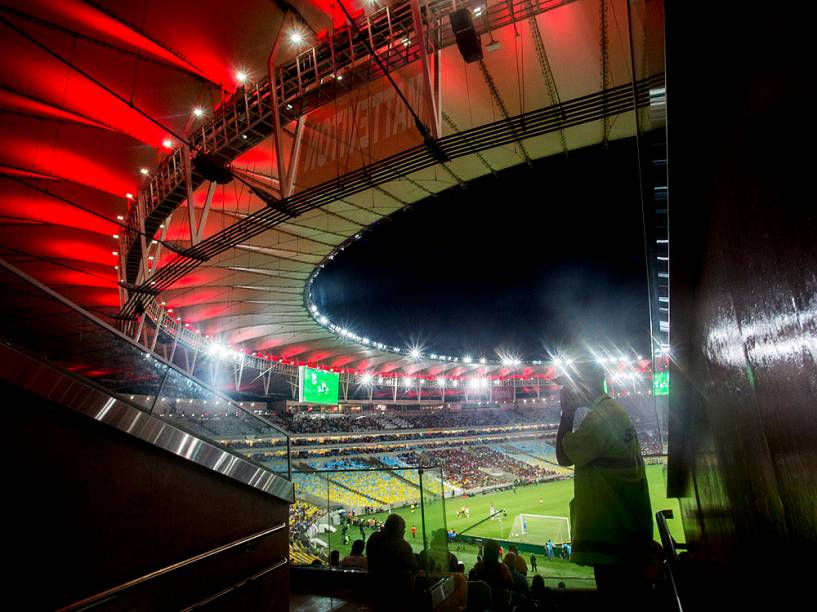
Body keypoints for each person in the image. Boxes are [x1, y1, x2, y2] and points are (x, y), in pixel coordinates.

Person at [556, 361, 653, 601]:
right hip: (623, 533)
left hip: (613, 538)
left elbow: (562, 456)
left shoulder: (602, 418)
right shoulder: (611, 411)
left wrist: (567, 413)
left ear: (585, 384)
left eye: (569, 386)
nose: (565, 392)